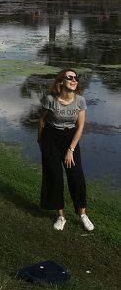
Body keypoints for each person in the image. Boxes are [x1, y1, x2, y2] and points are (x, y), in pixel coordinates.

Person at [38, 69, 94, 232]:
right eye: (70, 77)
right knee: (54, 176)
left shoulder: (80, 101)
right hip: (51, 138)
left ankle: (82, 214)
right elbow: (42, 120)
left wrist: (70, 149)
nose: (74, 80)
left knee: (76, 177)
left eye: (76, 78)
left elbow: (80, 126)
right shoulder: (50, 99)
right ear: (61, 81)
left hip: (70, 139)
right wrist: (40, 140)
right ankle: (60, 216)